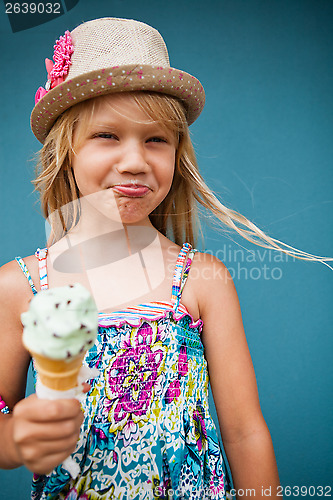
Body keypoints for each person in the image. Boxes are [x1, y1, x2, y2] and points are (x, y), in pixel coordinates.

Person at [0, 17, 328, 500]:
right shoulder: (21, 287)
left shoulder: (202, 279)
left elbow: (244, 432)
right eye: (107, 136)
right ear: (66, 149)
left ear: (178, 154)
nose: (135, 161)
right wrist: (13, 438)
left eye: (156, 139)